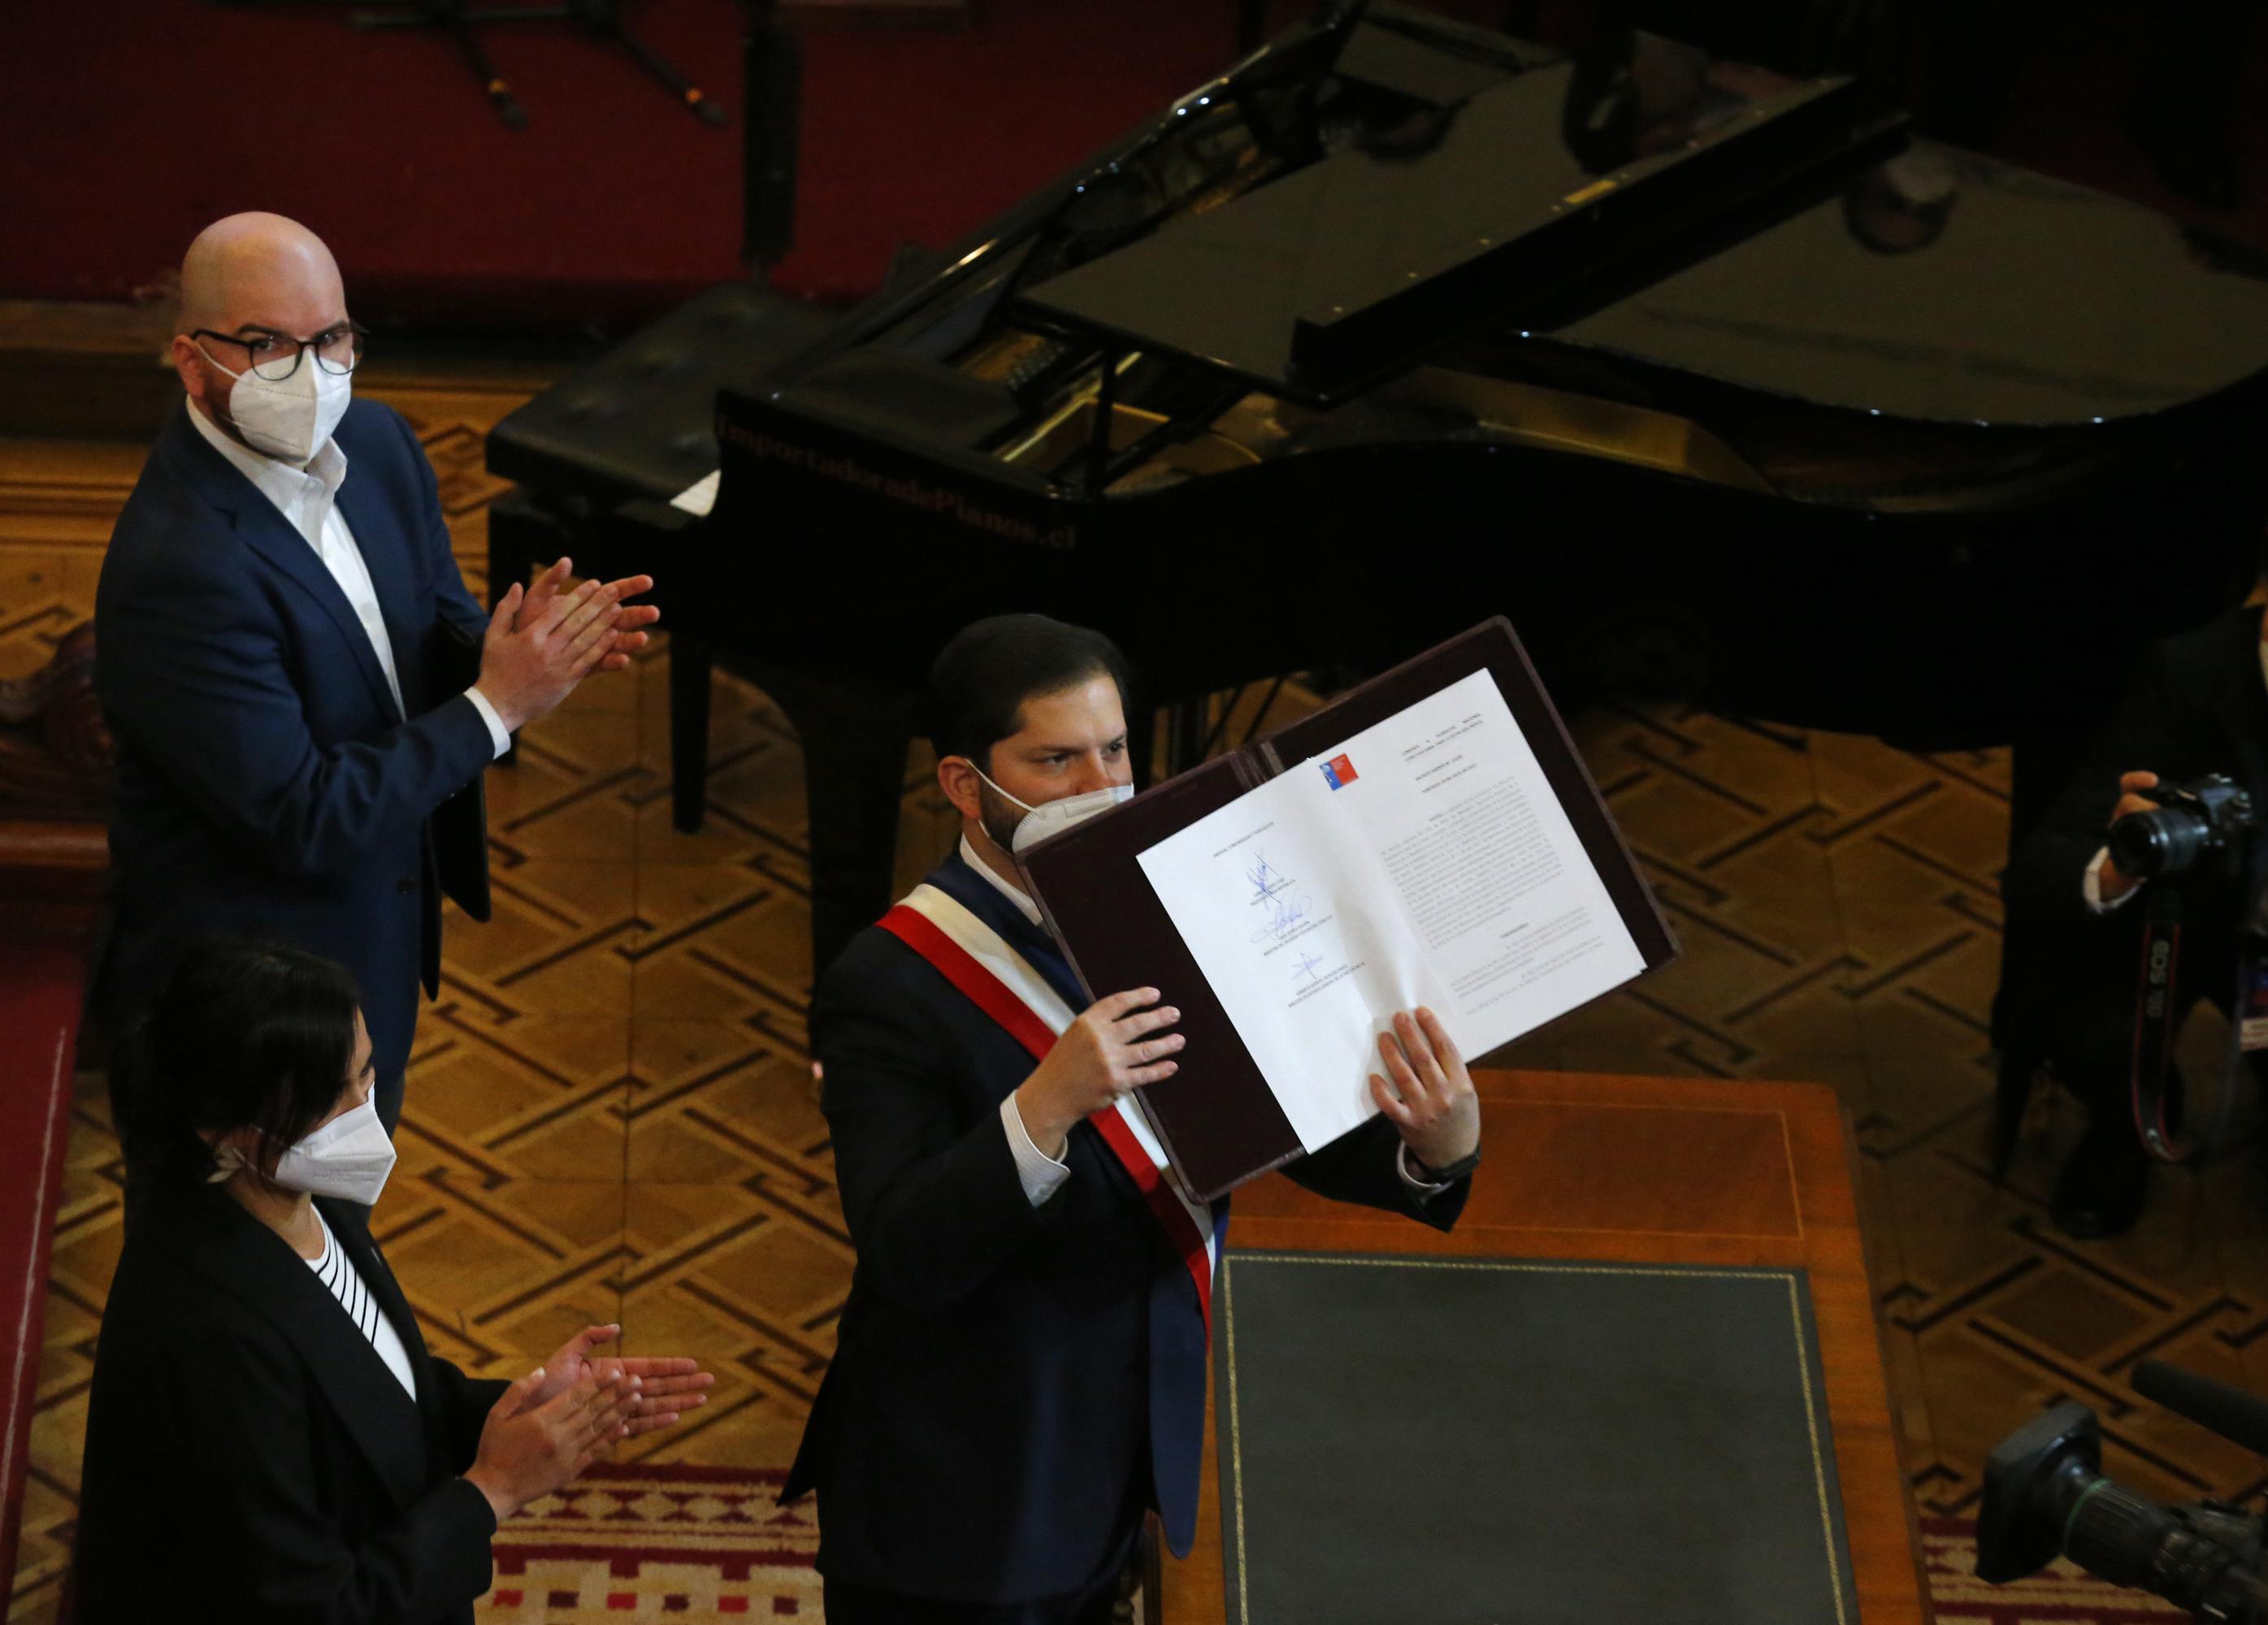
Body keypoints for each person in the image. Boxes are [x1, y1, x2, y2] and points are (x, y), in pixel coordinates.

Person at [780, 614, 1482, 1623]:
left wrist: (1435, 1146)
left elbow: (1268, 1107)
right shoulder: (886, 981)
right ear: (967, 786)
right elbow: (905, 1250)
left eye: (1113, 750)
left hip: (1128, 1433)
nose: (1098, 785)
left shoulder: (1192, 908)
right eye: (1055, 759)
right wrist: (1046, 1103)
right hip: (966, 1484)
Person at [93, 211, 658, 1130]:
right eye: (268, 344)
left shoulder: (384, 446)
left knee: (347, 1235)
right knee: (269, 1264)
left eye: (332, 338)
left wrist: (527, 646)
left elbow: (428, 624)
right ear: (193, 363)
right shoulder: (181, 568)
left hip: (370, 946)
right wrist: (498, 704)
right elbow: (301, 813)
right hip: (253, 1012)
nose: (311, 373)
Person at [72, 938, 714, 1624]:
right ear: (224, 1128)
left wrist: (532, 1407)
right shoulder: (211, 1339)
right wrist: (491, 1490)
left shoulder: (300, 1201)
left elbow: (367, 1391)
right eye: (330, 1097)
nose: (363, 1113)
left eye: (366, 1075)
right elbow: (313, 1611)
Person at [2006, 496, 2268, 1268]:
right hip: (2179, 938)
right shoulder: (2190, 675)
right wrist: (2118, 866)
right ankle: (2132, 1116)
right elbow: (2039, 869)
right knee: (2083, 1027)